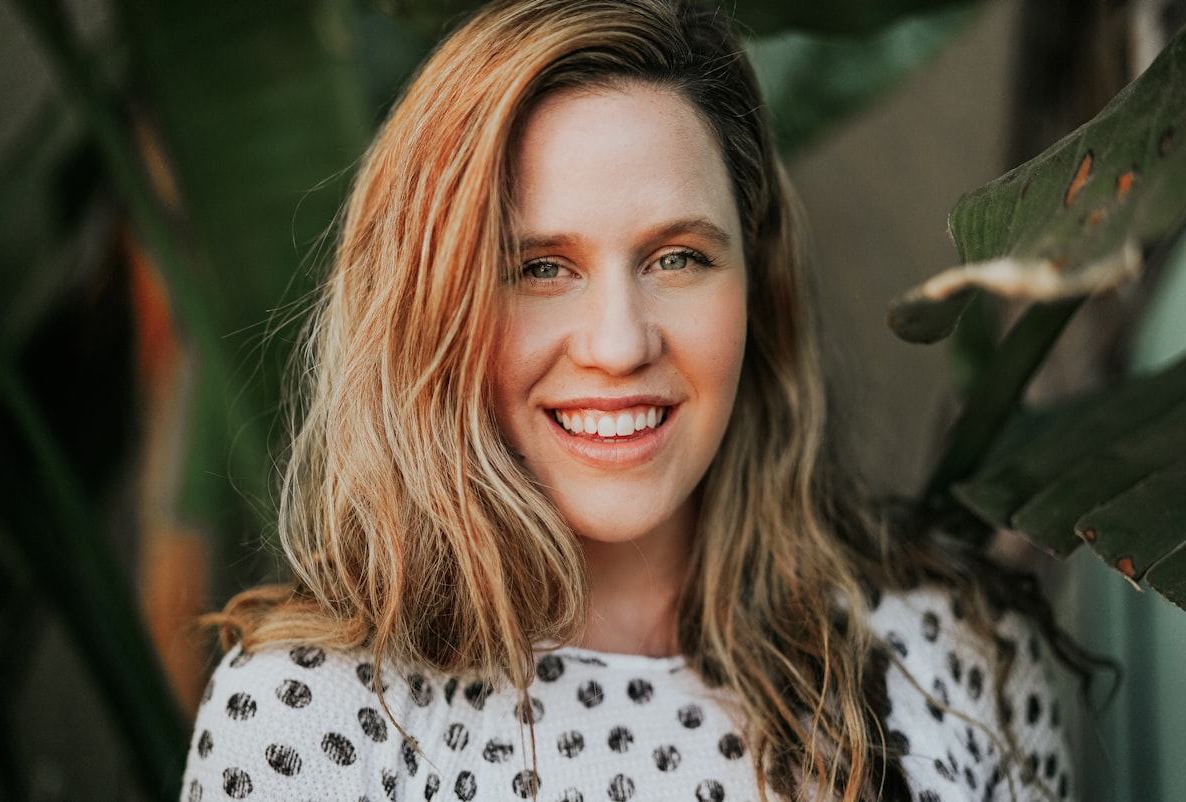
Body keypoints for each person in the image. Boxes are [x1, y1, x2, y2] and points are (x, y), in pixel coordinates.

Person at [180, 1, 1078, 800]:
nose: (618, 344)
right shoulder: (310, 720)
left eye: (676, 257)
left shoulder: (960, 666)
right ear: (431, 307)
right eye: (539, 268)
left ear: (756, 289)